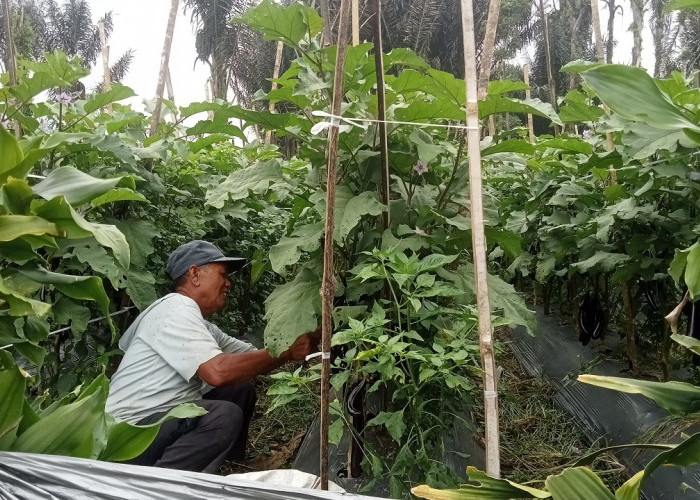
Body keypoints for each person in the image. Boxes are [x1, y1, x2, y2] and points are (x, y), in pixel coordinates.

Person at [106, 240, 319, 473]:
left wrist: (307, 330)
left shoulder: (201, 326)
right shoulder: (176, 308)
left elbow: (251, 357)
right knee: (223, 417)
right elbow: (218, 372)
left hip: (155, 427)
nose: (229, 283)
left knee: (240, 388)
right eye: (223, 274)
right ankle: (155, 486)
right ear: (195, 274)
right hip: (127, 440)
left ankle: (230, 468)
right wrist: (288, 352)